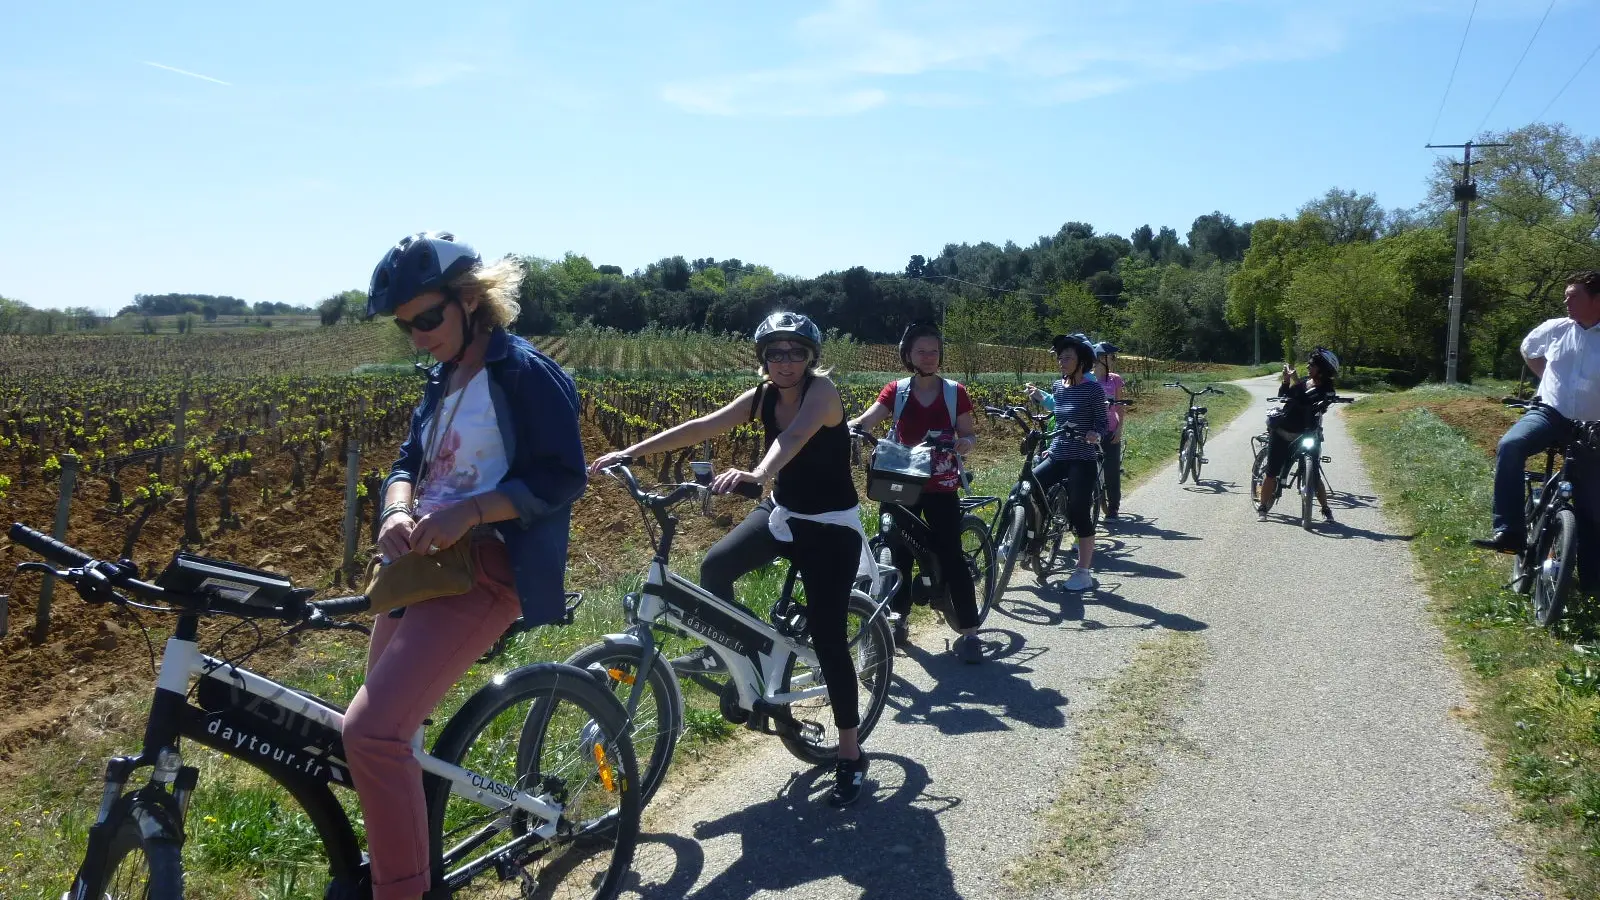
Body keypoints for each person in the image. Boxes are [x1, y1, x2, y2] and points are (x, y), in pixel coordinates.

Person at [348, 231, 587, 900]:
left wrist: (471, 512)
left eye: (428, 318)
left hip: (482, 570)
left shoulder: (522, 372)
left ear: (471, 301)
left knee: (372, 734)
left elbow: (563, 476)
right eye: (406, 327)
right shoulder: (444, 377)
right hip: (421, 568)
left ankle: (402, 892)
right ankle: (414, 867)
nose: (418, 336)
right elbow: (406, 464)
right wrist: (397, 509)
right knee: (389, 737)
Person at [588, 312, 875, 807]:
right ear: (763, 357)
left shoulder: (822, 393)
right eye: (776, 352)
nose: (785, 361)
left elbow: (794, 438)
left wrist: (759, 473)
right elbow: (704, 424)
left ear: (811, 358)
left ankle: (849, 754)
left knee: (829, 639)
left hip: (828, 526)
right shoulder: (763, 396)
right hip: (783, 511)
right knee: (715, 568)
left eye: (796, 352)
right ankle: (742, 652)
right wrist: (630, 452)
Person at [848, 322, 982, 662]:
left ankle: (969, 632)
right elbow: (870, 418)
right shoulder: (897, 390)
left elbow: (968, 435)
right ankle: (898, 621)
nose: (929, 357)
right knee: (896, 554)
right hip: (900, 483)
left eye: (934, 351)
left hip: (941, 485)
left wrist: (962, 444)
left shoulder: (955, 392)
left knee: (951, 555)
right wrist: (849, 429)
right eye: (921, 351)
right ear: (907, 354)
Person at [1474, 271, 1600, 567]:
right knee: (1511, 445)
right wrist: (1549, 380)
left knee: (1592, 504)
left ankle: (1591, 579)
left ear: (1596, 300)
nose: (1566, 300)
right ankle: (1509, 531)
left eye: (1573, 295)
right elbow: (1529, 350)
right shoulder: (1556, 329)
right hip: (1549, 414)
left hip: (1593, 427)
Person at [1023, 334, 1106, 592]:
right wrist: (1049, 448)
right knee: (1025, 487)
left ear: (1082, 361)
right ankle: (1027, 537)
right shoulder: (1059, 386)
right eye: (1060, 357)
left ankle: (1083, 572)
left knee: (1079, 512)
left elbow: (1102, 421)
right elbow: (1058, 419)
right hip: (1059, 453)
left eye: (1067, 357)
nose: (1062, 361)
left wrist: (1096, 433)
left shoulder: (1093, 389)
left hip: (1082, 457)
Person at [1255, 348, 1339, 522]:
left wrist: (1330, 399)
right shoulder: (1302, 383)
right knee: (1272, 472)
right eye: (1309, 364)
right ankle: (1263, 507)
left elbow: (1319, 400)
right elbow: (1284, 396)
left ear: (1322, 369)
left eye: (1312, 365)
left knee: (1314, 473)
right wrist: (1286, 381)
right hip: (1283, 431)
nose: (1308, 366)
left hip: (1307, 434)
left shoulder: (1326, 389)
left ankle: (1325, 509)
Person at [1093, 343, 1126, 519]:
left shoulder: (1115, 380)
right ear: (1100, 359)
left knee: (1112, 470)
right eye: (1110, 357)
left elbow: (1121, 408)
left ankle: (1113, 507)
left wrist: (1120, 429)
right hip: (1092, 432)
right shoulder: (1088, 380)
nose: (1113, 361)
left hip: (1111, 430)